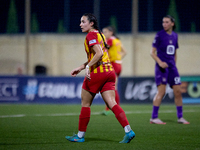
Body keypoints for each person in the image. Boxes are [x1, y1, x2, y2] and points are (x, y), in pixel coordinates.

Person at [65, 13, 135, 143]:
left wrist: (88, 67)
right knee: (112, 103)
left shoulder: (90, 35)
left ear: (91, 23)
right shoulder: (101, 35)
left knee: (85, 103)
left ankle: (79, 136)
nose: (80, 24)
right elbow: (99, 56)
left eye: (83, 21)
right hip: (109, 72)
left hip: (97, 73)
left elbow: (99, 53)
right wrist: (81, 67)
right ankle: (128, 130)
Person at [150, 15, 190, 124]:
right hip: (161, 68)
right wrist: (160, 62)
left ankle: (180, 117)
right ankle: (154, 117)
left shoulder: (175, 36)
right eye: (163, 22)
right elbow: (152, 52)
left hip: (172, 68)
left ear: (172, 23)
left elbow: (175, 52)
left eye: (167, 22)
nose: (164, 24)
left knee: (178, 91)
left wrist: (174, 65)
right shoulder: (159, 35)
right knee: (161, 92)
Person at [102, 26, 127, 115]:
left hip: (113, 65)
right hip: (118, 65)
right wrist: (119, 59)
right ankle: (112, 108)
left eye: (105, 32)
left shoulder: (110, 40)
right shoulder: (117, 40)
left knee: (111, 87)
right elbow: (125, 51)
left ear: (111, 32)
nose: (104, 34)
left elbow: (103, 50)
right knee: (112, 86)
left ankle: (111, 109)